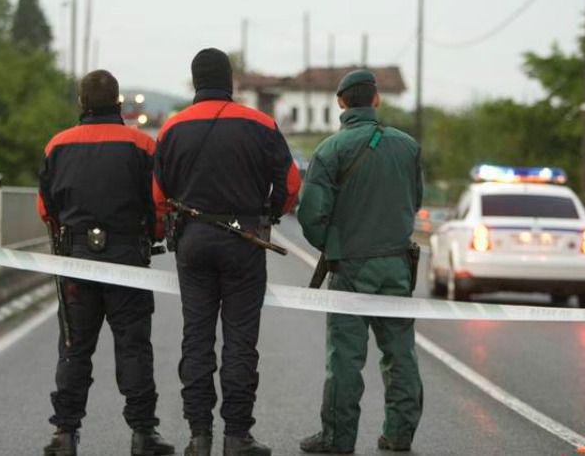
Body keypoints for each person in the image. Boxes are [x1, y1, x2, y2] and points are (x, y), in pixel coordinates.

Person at [153, 48, 301, 456]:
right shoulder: (261, 124)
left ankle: (198, 436)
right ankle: (237, 436)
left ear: (195, 80)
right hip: (244, 240)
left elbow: (158, 195)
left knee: (196, 338)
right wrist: (269, 212)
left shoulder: (171, 128)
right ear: (230, 80)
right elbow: (289, 184)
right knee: (240, 341)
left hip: (193, 242)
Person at [37, 70, 174, 456]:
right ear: (118, 104)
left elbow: (45, 208)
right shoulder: (142, 145)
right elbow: (158, 205)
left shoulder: (57, 146)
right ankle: (144, 433)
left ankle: (64, 433)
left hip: (76, 262)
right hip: (128, 259)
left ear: (81, 104)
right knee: (133, 346)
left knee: (75, 347)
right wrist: (155, 234)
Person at [297, 69, 424, 453]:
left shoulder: (331, 150)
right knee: (400, 352)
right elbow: (414, 201)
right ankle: (399, 435)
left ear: (340, 102)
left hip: (351, 267)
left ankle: (338, 438)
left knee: (346, 358)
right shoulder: (408, 146)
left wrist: (334, 246)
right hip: (397, 265)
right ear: (377, 100)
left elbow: (309, 215)